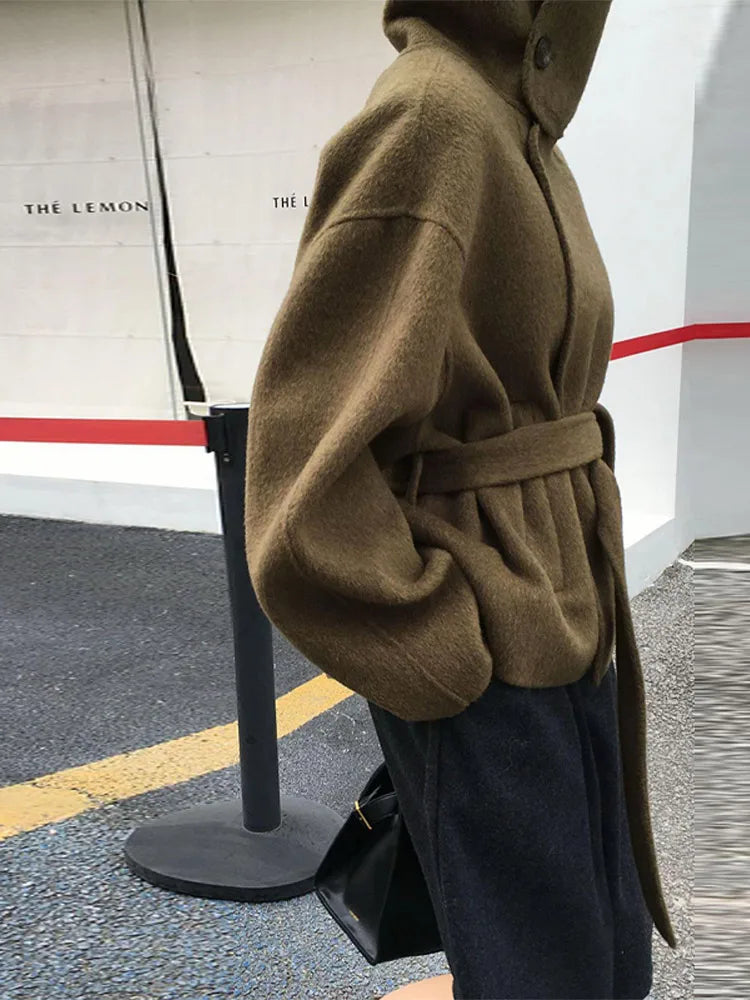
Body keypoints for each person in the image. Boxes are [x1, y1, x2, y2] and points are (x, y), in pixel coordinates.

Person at [243, 1, 677, 997]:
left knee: (604, 957)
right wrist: (437, 648)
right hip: (490, 623)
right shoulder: (431, 118)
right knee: (545, 970)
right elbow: (303, 467)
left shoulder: (520, 130)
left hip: (569, 599)